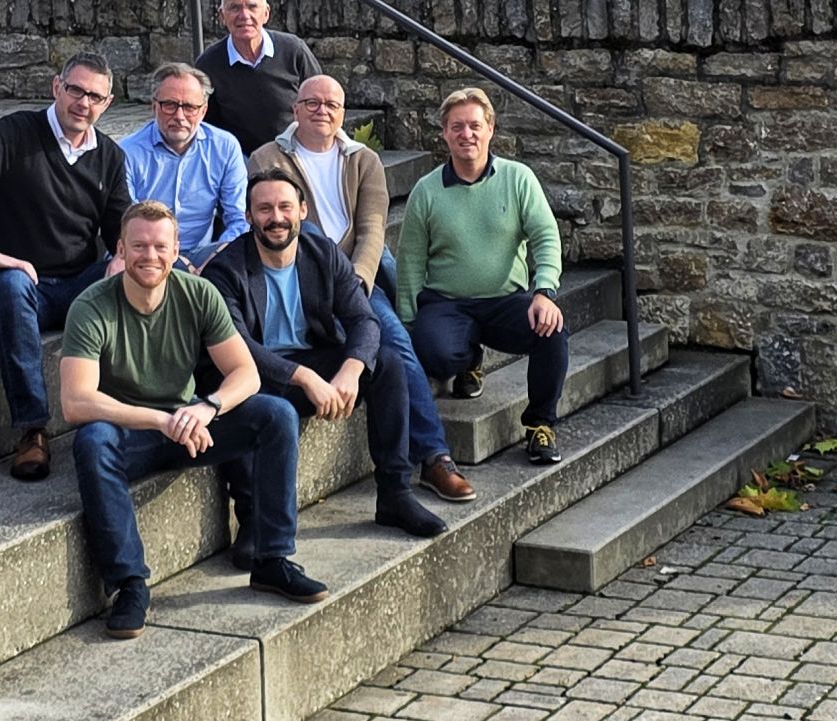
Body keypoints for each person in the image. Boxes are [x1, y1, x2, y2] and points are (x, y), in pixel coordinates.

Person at [61, 200, 327, 640]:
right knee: (92, 441)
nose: (150, 255)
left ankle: (272, 559)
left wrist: (208, 407)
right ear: (121, 249)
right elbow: (76, 401)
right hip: (132, 432)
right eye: (139, 246)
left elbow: (246, 374)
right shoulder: (91, 306)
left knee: (276, 414)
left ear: (176, 249)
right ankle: (129, 584)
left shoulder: (198, 293)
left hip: (189, 424)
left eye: (159, 246)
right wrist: (158, 420)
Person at [252, 75, 476, 502]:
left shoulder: (363, 159)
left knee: (395, 345)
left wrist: (354, 281)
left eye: (332, 104)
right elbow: (276, 227)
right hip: (300, 279)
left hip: (354, 276)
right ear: (295, 109)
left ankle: (434, 457)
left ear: (343, 113)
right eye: (312, 103)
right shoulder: (268, 158)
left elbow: (373, 229)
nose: (322, 111)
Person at [202, 171, 447, 551]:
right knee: (249, 402)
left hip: (313, 360)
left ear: (303, 210)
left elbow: (364, 319)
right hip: (254, 373)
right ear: (248, 216)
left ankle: (395, 494)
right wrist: (304, 378)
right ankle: (253, 519)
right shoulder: (225, 271)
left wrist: (351, 369)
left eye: (285, 207)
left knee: (387, 363)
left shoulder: (323, 254)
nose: (276, 218)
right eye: (264, 209)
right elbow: (240, 348)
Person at [0, 51, 132, 481]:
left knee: (143, 274)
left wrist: (122, 257)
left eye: (95, 97)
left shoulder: (110, 157)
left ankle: (134, 409)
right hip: (8, 289)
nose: (83, 103)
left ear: (107, 103)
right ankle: (32, 430)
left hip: (75, 285)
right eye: (76, 90)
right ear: (56, 87)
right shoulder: (16, 133)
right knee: (11, 284)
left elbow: (121, 224)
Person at [398, 86, 569, 466]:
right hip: (447, 303)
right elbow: (410, 261)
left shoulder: (518, 178)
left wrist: (544, 291)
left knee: (553, 330)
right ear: (444, 133)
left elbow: (546, 236)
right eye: (457, 127)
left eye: (475, 125)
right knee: (433, 353)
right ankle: (468, 359)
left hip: (506, 301)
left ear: (490, 129)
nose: (467, 134)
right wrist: (408, 323)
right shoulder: (426, 191)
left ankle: (540, 425)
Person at [120, 62, 248, 270]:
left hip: (204, 253)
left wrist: (219, 255)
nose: (179, 116)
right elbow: (128, 223)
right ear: (154, 106)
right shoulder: (127, 152)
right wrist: (176, 261)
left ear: (203, 111)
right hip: (149, 253)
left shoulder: (224, 147)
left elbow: (238, 219)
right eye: (170, 105)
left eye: (189, 107)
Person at [194, 0, 323, 155]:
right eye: (234, 8)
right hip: (239, 160)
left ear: (266, 13)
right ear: (222, 16)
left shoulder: (293, 51)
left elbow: (321, 101)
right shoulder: (209, 64)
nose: (244, 15)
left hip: (293, 154)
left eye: (252, 7)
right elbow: (205, 126)